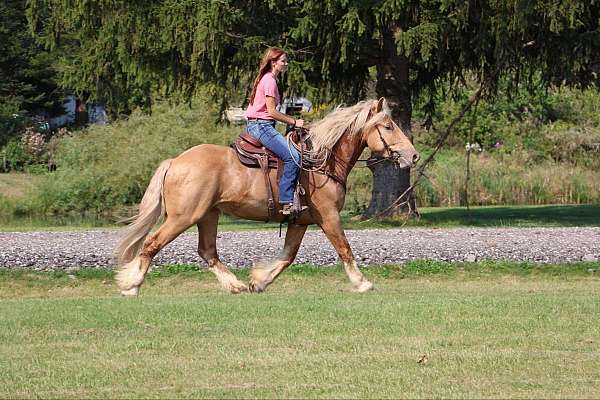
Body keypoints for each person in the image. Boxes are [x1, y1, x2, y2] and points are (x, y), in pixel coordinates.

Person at [245, 47, 305, 215]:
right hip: (261, 126)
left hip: (260, 124)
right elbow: (271, 112)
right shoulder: (270, 81)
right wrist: (295, 121)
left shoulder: (266, 78)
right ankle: (286, 201)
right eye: (283, 61)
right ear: (273, 62)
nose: (286, 64)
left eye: (286, 61)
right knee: (294, 157)